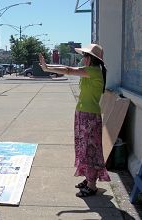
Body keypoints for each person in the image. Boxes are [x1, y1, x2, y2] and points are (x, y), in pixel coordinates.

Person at [39, 44, 111, 197]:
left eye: (85, 56)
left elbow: (68, 70)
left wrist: (47, 68)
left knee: (90, 150)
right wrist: (47, 66)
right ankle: (88, 178)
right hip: (83, 114)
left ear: (91, 59)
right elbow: (67, 69)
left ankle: (92, 185)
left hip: (90, 116)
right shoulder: (90, 71)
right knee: (83, 148)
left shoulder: (93, 71)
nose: (83, 58)